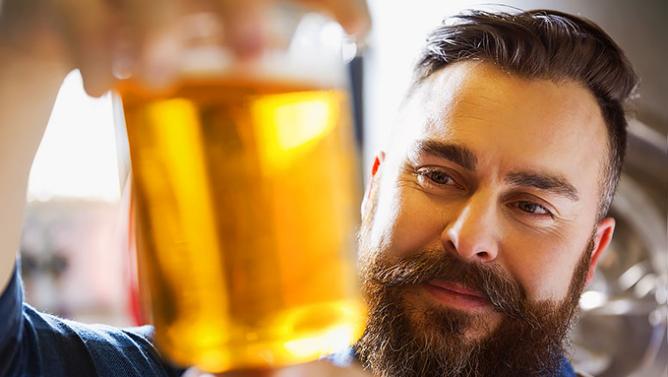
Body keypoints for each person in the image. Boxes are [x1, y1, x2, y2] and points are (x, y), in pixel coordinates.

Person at [0, 3, 638, 377]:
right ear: (373, 190)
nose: (469, 237)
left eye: (532, 205)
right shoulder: (210, 358)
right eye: (440, 177)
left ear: (592, 250)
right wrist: (24, 54)